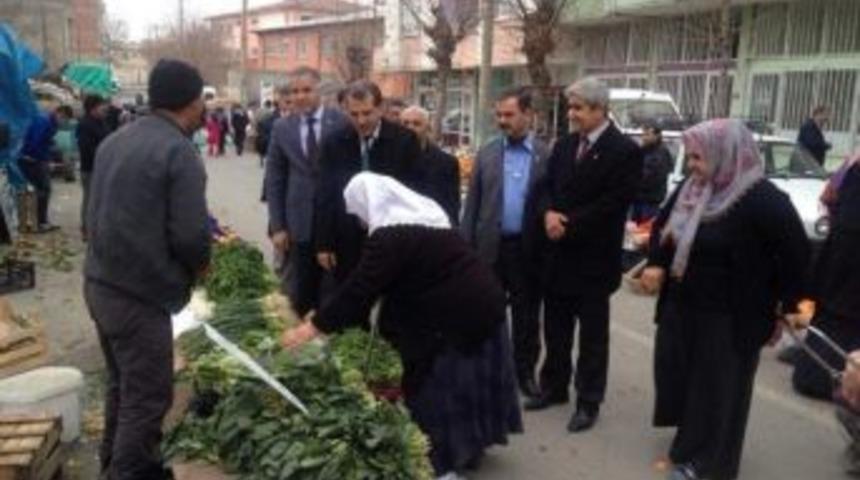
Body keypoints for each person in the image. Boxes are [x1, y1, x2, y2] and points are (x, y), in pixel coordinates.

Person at [282, 172, 523, 480]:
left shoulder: (389, 236)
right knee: (472, 380)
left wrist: (312, 327)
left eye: (360, 212)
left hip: (457, 314)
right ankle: (473, 444)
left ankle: (448, 459)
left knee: (440, 383)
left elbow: (361, 289)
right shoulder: (425, 217)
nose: (362, 222)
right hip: (483, 303)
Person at [640, 119, 809, 480]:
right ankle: (689, 446)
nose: (691, 166)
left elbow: (796, 254)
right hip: (684, 304)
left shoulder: (762, 199)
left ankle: (713, 465)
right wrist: (656, 262)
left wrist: (788, 304)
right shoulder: (693, 188)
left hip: (732, 315)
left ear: (724, 154)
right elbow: (662, 226)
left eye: (699, 158)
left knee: (720, 389)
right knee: (685, 377)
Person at [84, 58, 211, 480]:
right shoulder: (179, 151)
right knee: (148, 396)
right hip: (139, 297)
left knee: (123, 386)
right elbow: (191, 235)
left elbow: (89, 218)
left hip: (100, 285)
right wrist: (201, 267)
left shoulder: (115, 141)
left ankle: (117, 466)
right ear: (193, 102)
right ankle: (129, 471)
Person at [527, 78, 642, 434]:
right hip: (558, 256)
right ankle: (554, 387)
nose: (572, 114)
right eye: (571, 107)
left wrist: (569, 224)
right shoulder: (564, 146)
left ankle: (588, 401)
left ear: (599, 109)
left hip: (593, 260)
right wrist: (547, 214)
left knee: (592, 338)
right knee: (556, 329)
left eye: (577, 108)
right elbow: (544, 185)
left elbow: (614, 203)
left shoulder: (624, 150)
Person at [461, 87, 549, 399]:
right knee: (486, 312)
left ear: (528, 115)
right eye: (498, 115)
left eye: (509, 115)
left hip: (527, 250)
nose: (502, 121)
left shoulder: (545, 155)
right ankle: (488, 371)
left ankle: (524, 374)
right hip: (489, 248)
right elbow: (472, 205)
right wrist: (465, 249)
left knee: (526, 316)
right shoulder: (487, 152)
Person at [315, 80, 423, 284]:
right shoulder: (333, 142)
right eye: (354, 114)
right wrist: (324, 244)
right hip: (346, 238)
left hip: (391, 237)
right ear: (344, 111)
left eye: (367, 113)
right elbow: (325, 195)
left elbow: (413, 194)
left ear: (381, 109)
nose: (361, 121)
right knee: (349, 300)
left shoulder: (405, 141)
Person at [266, 67, 348, 316]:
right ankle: (302, 339)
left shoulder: (341, 122)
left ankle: (332, 339)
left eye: (306, 90)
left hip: (334, 221)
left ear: (319, 90)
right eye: (295, 91)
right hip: (297, 222)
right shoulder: (282, 127)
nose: (300, 96)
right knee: (300, 290)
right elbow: (275, 177)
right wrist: (278, 225)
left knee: (333, 288)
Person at [793, 151, 860, 401]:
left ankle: (823, 376)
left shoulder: (853, 163)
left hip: (843, 248)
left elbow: (831, 197)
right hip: (846, 249)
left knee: (835, 312)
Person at [401, 105, 461, 225]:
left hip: (433, 231)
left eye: (416, 124)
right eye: (405, 123)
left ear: (428, 128)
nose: (410, 128)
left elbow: (452, 207)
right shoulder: (388, 158)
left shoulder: (446, 163)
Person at [18, 104, 73, 232]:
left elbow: (44, 141)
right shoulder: (44, 121)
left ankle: (40, 221)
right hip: (31, 159)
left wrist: (50, 150)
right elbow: (35, 143)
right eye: (64, 119)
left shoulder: (50, 123)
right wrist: (45, 160)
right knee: (42, 190)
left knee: (42, 190)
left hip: (35, 159)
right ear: (60, 113)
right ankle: (39, 222)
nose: (64, 122)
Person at [76, 94, 111, 240]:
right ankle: (86, 230)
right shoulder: (85, 124)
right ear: (92, 108)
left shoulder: (101, 122)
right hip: (90, 169)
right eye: (102, 105)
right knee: (90, 200)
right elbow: (86, 149)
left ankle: (96, 228)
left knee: (99, 200)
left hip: (102, 168)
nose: (105, 107)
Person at [633, 124, 674, 223]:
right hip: (638, 198)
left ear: (657, 136)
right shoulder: (644, 150)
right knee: (633, 229)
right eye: (643, 134)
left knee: (645, 230)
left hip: (650, 200)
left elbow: (654, 177)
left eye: (647, 134)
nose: (644, 137)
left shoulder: (661, 153)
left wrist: (634, 181)